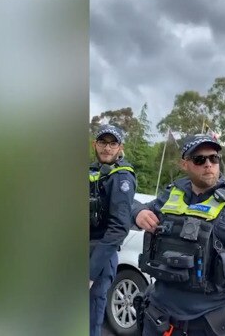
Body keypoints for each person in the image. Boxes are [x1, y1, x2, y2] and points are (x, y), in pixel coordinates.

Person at [132, 134, 225, 336]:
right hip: (158, 319)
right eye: (199, 159)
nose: (208, 164)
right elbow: (129, 209)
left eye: (213, 158)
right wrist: (138, 213)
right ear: (185, 164)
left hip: (207, 325)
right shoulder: (171, 195)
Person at [89, 124, 136, 336]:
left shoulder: (122, 177)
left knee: (90, 321)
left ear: (120, 147)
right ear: (95, 144)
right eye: (103, 142)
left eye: (112, 143)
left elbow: (118, 228)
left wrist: (91, 272)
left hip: (100, 255)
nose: (107, 148)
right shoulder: (92, 171)